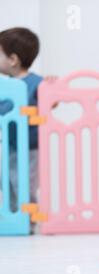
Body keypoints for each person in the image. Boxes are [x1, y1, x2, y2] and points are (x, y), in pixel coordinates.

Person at [0, 27, 43, 212]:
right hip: (9, 145)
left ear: (13, 60)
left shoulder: (36, 83)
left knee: (24, 182)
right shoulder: (6, 85)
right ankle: (13, 215)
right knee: (7, 180)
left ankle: (29, 217)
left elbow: (52, 101)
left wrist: (52, 85)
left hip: (30, 148)